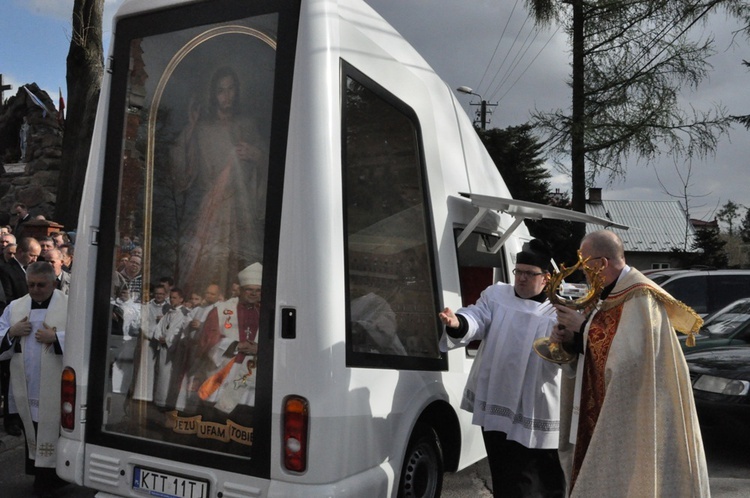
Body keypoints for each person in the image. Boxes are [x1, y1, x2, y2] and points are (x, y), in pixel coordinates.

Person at [551, 230, 709, 497]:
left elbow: (629, 363)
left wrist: (584, 328)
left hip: (635, 413)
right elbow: (599, 350)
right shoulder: (605, 296)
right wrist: (572, 338)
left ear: (602, 263)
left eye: (586, 266)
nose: (585, 274)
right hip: (604, 409)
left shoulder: (640, 297)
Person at [438, 239, 565, 498]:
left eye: (530, 274)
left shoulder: (558, 309)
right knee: (505, 472)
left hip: (534, 404)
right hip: (498, 397)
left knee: (541, 473)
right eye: (519, 272)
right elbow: (476, 317)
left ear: (546, 278)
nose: (521, 278)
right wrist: (457, 323)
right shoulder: (497, 296)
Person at [171, 66, 268, 294]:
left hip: (242, 208)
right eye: (221, 90)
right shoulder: (203, 129)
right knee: (210, 263)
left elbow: (268, 163)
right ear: (214, 95)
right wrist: (191, 126)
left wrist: (255, 154)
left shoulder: (247, 125)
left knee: (239, 261)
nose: (227, 96)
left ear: (237, 91)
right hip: (213, 208)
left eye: (231, 89)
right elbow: (181, 168)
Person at [0, 262, 68, 497]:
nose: (36, 289)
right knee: (34, 427)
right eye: (31, 285)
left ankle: (50, 479)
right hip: (27, 381)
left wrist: (57, 337)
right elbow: (1, 335)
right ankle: (43, 477)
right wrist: (11, 333)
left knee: (53, 428)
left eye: (42, 285)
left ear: (54, 283)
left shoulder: (71, 306)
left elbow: (85, 339)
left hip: (56, 383)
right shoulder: (15, 307)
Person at [196, 263, 262, 418]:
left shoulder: (265, 313)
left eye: (258, 290)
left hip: (250, 372)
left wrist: (260, 348)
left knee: (243, 418)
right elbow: (207, 337)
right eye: (249, 289)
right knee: (214, 418)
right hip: (223, 369)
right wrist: (236, 345)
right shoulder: (221, 310)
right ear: (240, 290)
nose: (254, 294)